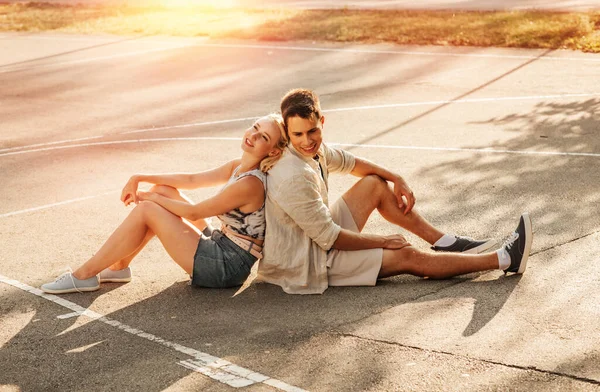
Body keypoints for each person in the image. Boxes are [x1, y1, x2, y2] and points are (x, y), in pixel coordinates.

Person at [257, 89, 532, 294]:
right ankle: (505, 259)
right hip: (305, 264)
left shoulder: (309, 150)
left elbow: (350, 163)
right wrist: (383, 241)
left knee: (375, 183)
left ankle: (444, 241)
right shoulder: (293, 175)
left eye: (312, 131)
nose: (307, 141)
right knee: (407, 256)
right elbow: (330, 238)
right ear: (287, 130)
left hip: (314, 237)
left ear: (321, 121)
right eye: (298, 135)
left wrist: (396, 177)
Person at [41, 114, 288, 294]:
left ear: (273, 151)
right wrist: (141, 178)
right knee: (164, 190)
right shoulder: (239, 165)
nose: (252, 136)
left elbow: (195, 211)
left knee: (150, 207)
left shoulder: (251, 184)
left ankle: (83, 275)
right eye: (254, 128)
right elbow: (192, 180)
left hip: (226, 265)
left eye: (263, 137)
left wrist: (150, 198)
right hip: (221, 242)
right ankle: (118, 268)